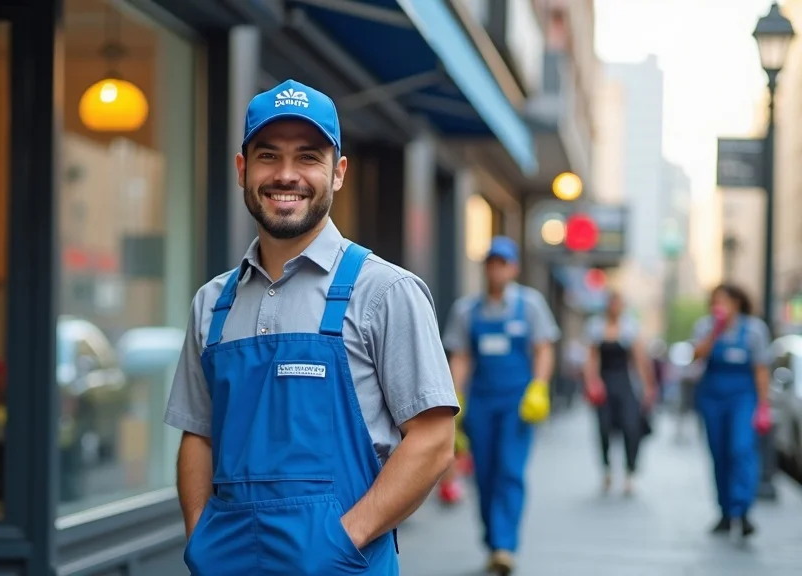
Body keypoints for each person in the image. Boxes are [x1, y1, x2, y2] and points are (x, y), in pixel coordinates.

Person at [164, 79, 458, 576]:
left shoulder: (385, 291)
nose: (286, 175)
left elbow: (433, 441)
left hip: (340, 566)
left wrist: (343, 541)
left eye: (307, 157)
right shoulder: (212, 303)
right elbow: (199, 435)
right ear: (242, 169)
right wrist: (200, 539)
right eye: (268, 156)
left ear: (338, 173)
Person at [441, 236, 560, 575]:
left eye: (503, 264)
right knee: (485, 473)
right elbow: (461, 356)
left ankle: (505, 545)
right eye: (492, 263)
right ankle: (493, 540)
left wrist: (539, 387)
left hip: (516, 404)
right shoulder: (467, 310)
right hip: (481, 402)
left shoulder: (531, 305)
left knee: (509, 470)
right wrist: (455, 396)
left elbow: (543, 348)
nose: (497, 270)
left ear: (514, 268)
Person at [691, 283, 771, 539]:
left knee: (741, 448)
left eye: (723, 301)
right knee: (719, 452)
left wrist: (763, 405)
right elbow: (696, 356)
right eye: (715, 302)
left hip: (743, 398)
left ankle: (742, 509)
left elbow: (761, 369)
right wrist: (715, 331)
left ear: (736, 303)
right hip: (712, 398)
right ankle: (725, 511)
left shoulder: (754, 330)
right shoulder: (705, 327)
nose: (719, 306)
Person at [582, 291, 658, 496]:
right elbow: (591, 358)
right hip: (604, 383)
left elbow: (640, 358)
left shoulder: (630, 327)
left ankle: (629, 471)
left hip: (625, 383)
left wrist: (648, 386)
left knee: (631, 427)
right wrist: (591, 381)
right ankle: (606, 468)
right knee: (604, 427)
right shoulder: (596, 327)